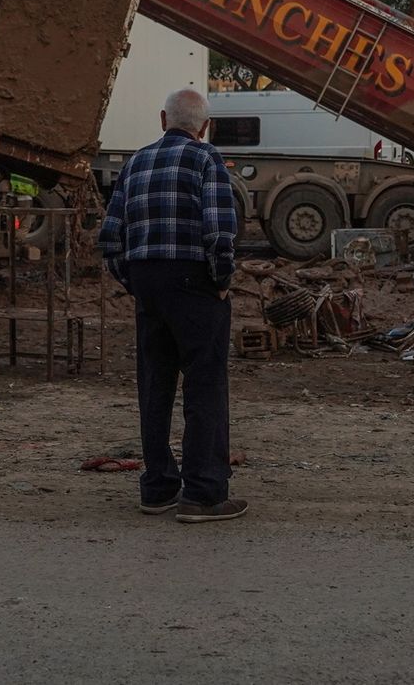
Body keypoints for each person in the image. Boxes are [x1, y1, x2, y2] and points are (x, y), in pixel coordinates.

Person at [98, 89, 246, 523]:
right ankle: (203, 494)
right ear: (205, 126)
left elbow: (110, 238)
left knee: (155, 385)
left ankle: (158, 487)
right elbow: (221, 230)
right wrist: (221, 281)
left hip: (148, 281)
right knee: (204, 386)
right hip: (193, 281)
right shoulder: (206, 158)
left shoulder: (135, 162)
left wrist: (134, 281)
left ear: (163, 119)